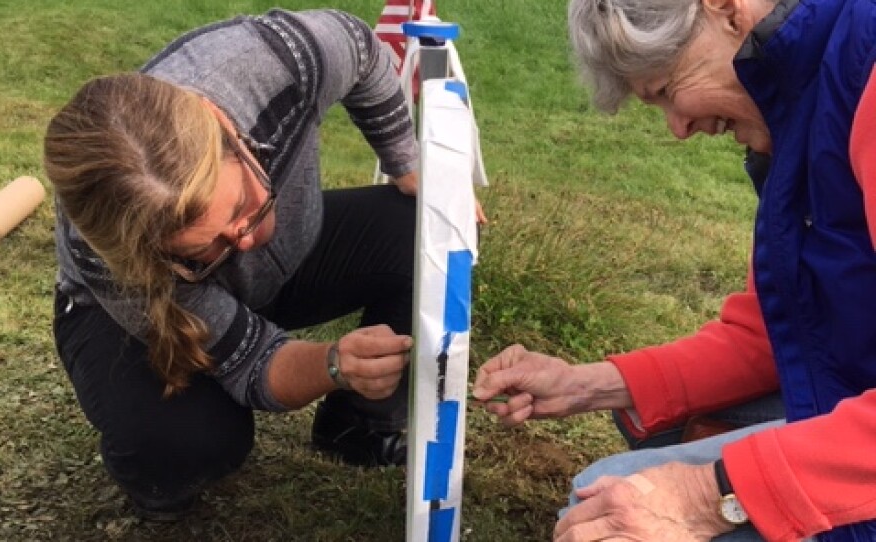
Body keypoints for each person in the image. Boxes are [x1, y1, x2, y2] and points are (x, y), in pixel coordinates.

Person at [471, 0, 876, 540]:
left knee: (609, 504)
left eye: (665, 91)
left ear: (727, 10)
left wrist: (709, 498)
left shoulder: (863, 78)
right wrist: (585, 386)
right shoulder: (804, 115)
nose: (679, 129)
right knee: (612, 487)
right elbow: (775, 331)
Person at [44, 8, 419, 521]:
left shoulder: (277, 58)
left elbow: (360, 46)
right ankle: (159, 482)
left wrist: (405, 160)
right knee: (189, 440)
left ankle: (355, 428)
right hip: (126, 315)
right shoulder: (109, 256)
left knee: (416, 230)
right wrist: (335, 363)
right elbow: (252, 362)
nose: (250, 239)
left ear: (232, 133)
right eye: (204, 246)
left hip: (276, 265)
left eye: (244, 203)